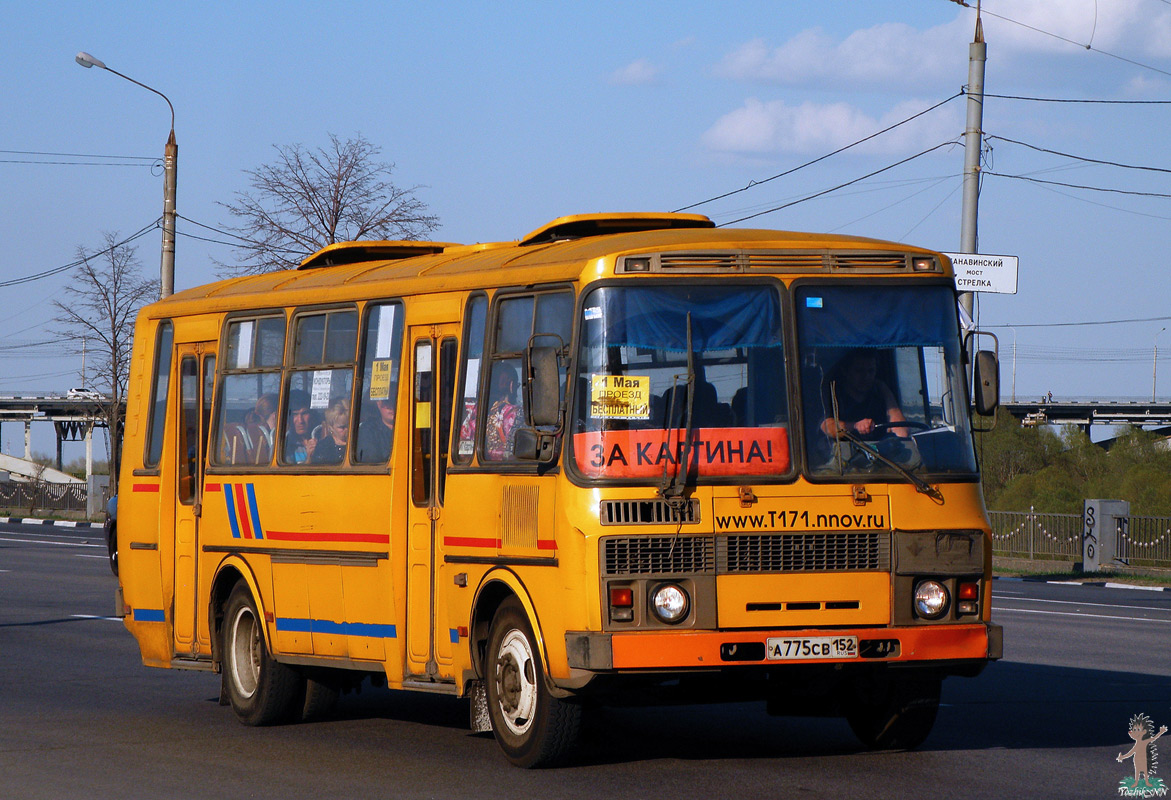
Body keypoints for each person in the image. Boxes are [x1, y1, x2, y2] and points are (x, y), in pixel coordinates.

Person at [820, 350, 909, 440]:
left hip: (880, 452)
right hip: (845, 452)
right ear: (845, 372)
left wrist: (886, 391)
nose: (866, 376)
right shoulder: (834, 396)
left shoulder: (879, 396)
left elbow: (902, 433)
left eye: (871, 371)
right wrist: (855, 426)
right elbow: (826, 427)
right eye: (859, 371)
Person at [485, 363, 521, 460]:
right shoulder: (513, 412)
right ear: (511, 385)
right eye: (517, 385)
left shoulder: (478, 410)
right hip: (505, 465)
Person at [356, 395, 396, 463]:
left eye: (395, 401)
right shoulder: (368, 430)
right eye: (386, 402)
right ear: (379, 404)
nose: (391, 406)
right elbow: (371, 461)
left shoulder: (415, 428)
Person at [311, 397, 350, 465]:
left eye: (349, 425)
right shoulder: (323, 448)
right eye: (342, 427)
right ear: (331, 427)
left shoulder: (359, 443)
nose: (347, 430)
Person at [283, 390, 317, 464]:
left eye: (304, 413)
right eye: (295, 414)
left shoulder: (322, 439)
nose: (300, 420)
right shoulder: (283, 445)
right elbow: (288, 474)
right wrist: (309, 458)